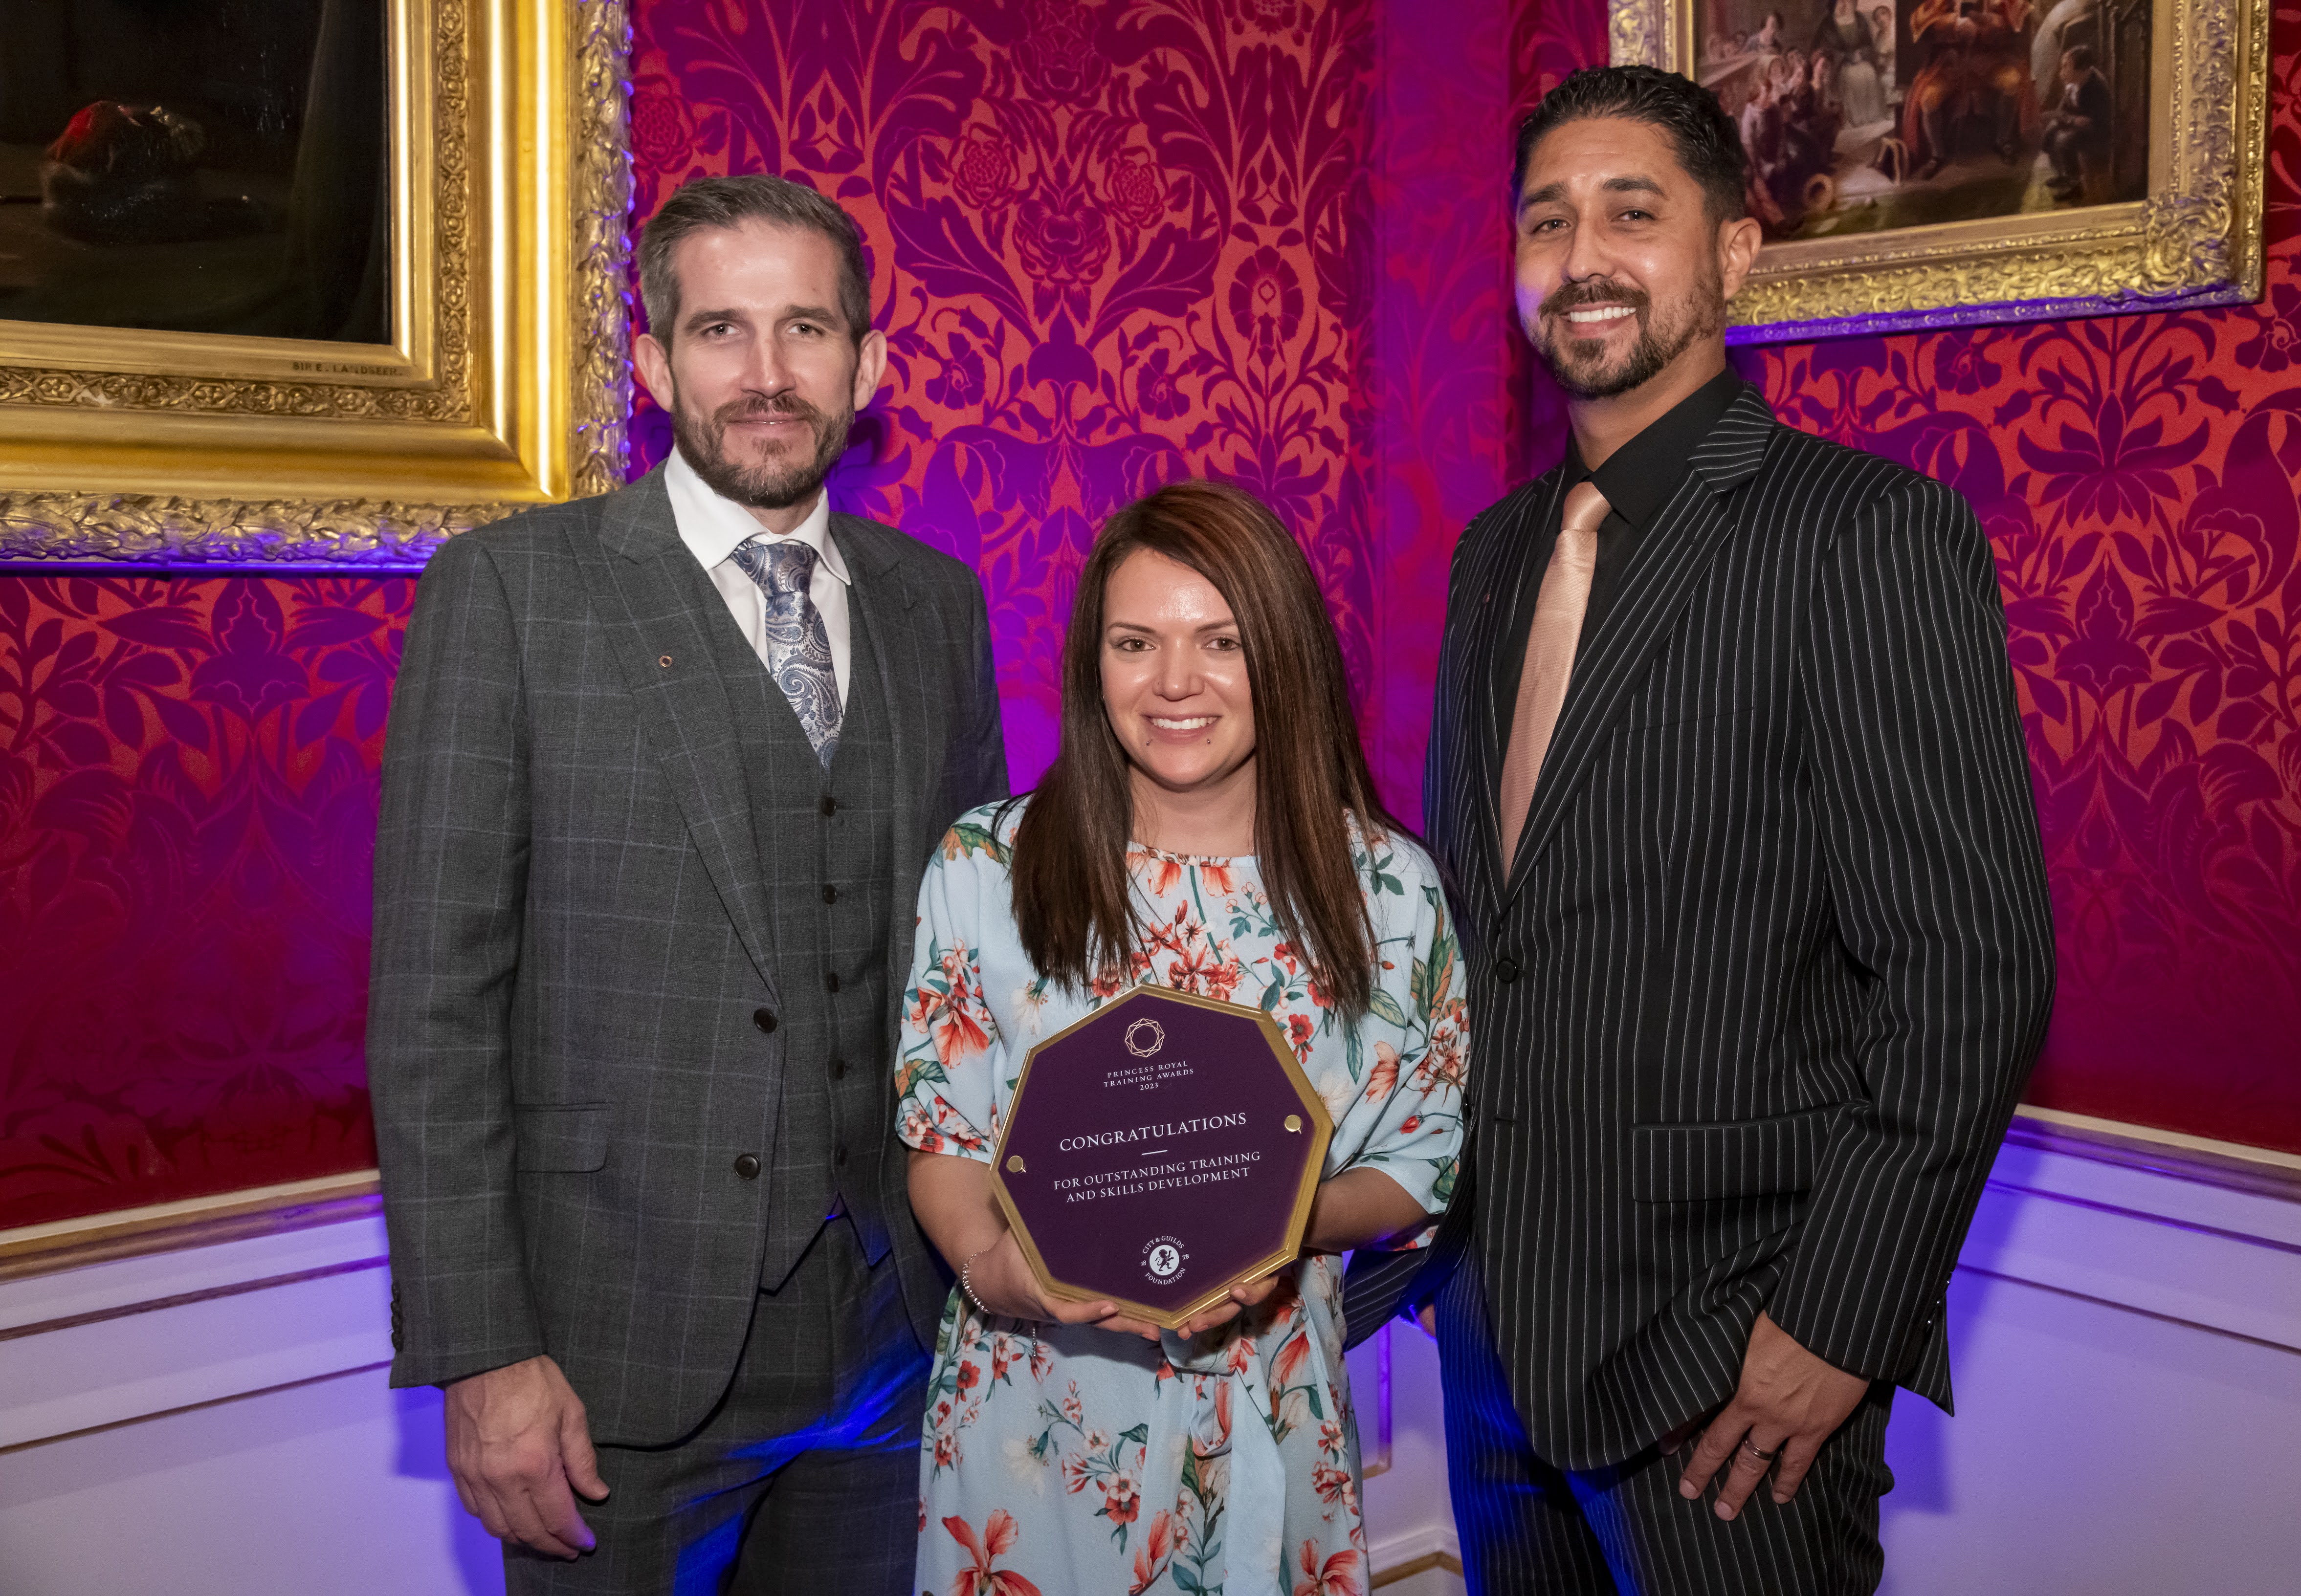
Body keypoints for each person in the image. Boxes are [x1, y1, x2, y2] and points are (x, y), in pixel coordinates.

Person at [1407, 64, 2054, 1594]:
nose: (1582, 257)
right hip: (1495, 1340)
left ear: (1733, 253)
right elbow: (1492, 936)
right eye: (1547, 219)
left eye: (1633, 213)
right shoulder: (1493, 554)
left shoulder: (1862, 534)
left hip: (1730, 1363)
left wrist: (1834, 1322)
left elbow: (1970, 972)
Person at [367, 173, 1008, 1593]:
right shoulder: (513, 593)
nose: (769, 375)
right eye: (722, 330)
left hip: (890, 1338)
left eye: (808, 330)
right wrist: (482, 1348)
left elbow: (976, 963)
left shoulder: (935, 604)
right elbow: (434, 1004)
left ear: (870, 363)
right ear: (654, 364)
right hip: (612, 1357)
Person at [898, 481, 1469, 1596]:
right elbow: (942, 1135)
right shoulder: (983, 867)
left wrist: (1270, 1215)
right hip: (1033, 1426)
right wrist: (997, 1270)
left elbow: (1421, 1163)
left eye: (1219, 641)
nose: (1173, 683)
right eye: (1134, 641)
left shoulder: (1386, 889)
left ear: (1284, 655)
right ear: (1091, 663)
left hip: (1271, 1411)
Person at [2043, 44, 2112, 202]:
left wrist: (2070, 119)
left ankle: (2076, 187)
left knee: (2064, 140)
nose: (2062, 73)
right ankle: (2063, 175)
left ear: (2081, 70)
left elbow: (2094, 120)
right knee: (2051, 130)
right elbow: (2063, 110)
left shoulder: (2096, 86)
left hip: (2096, 130)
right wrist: (2067, 118)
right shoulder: (2074, 83)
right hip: (2079, 122)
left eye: (2066, 67)